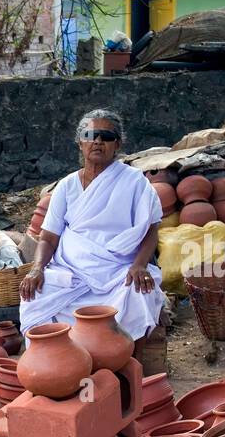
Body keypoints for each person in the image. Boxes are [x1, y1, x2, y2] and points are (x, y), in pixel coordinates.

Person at [19, 109, 165, 341]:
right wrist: (37, 268)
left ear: (117, 144)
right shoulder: (66, 186)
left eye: (106, 136)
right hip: (70, 272)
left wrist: (139, 265)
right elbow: (48, 237)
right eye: (90, 134)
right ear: (80, 143)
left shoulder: (135, 181)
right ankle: (60, 357)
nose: (97, 141)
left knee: (140, 293)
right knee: (36, 294)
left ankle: (116, 355)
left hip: (118, 271)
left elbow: (150, 230)